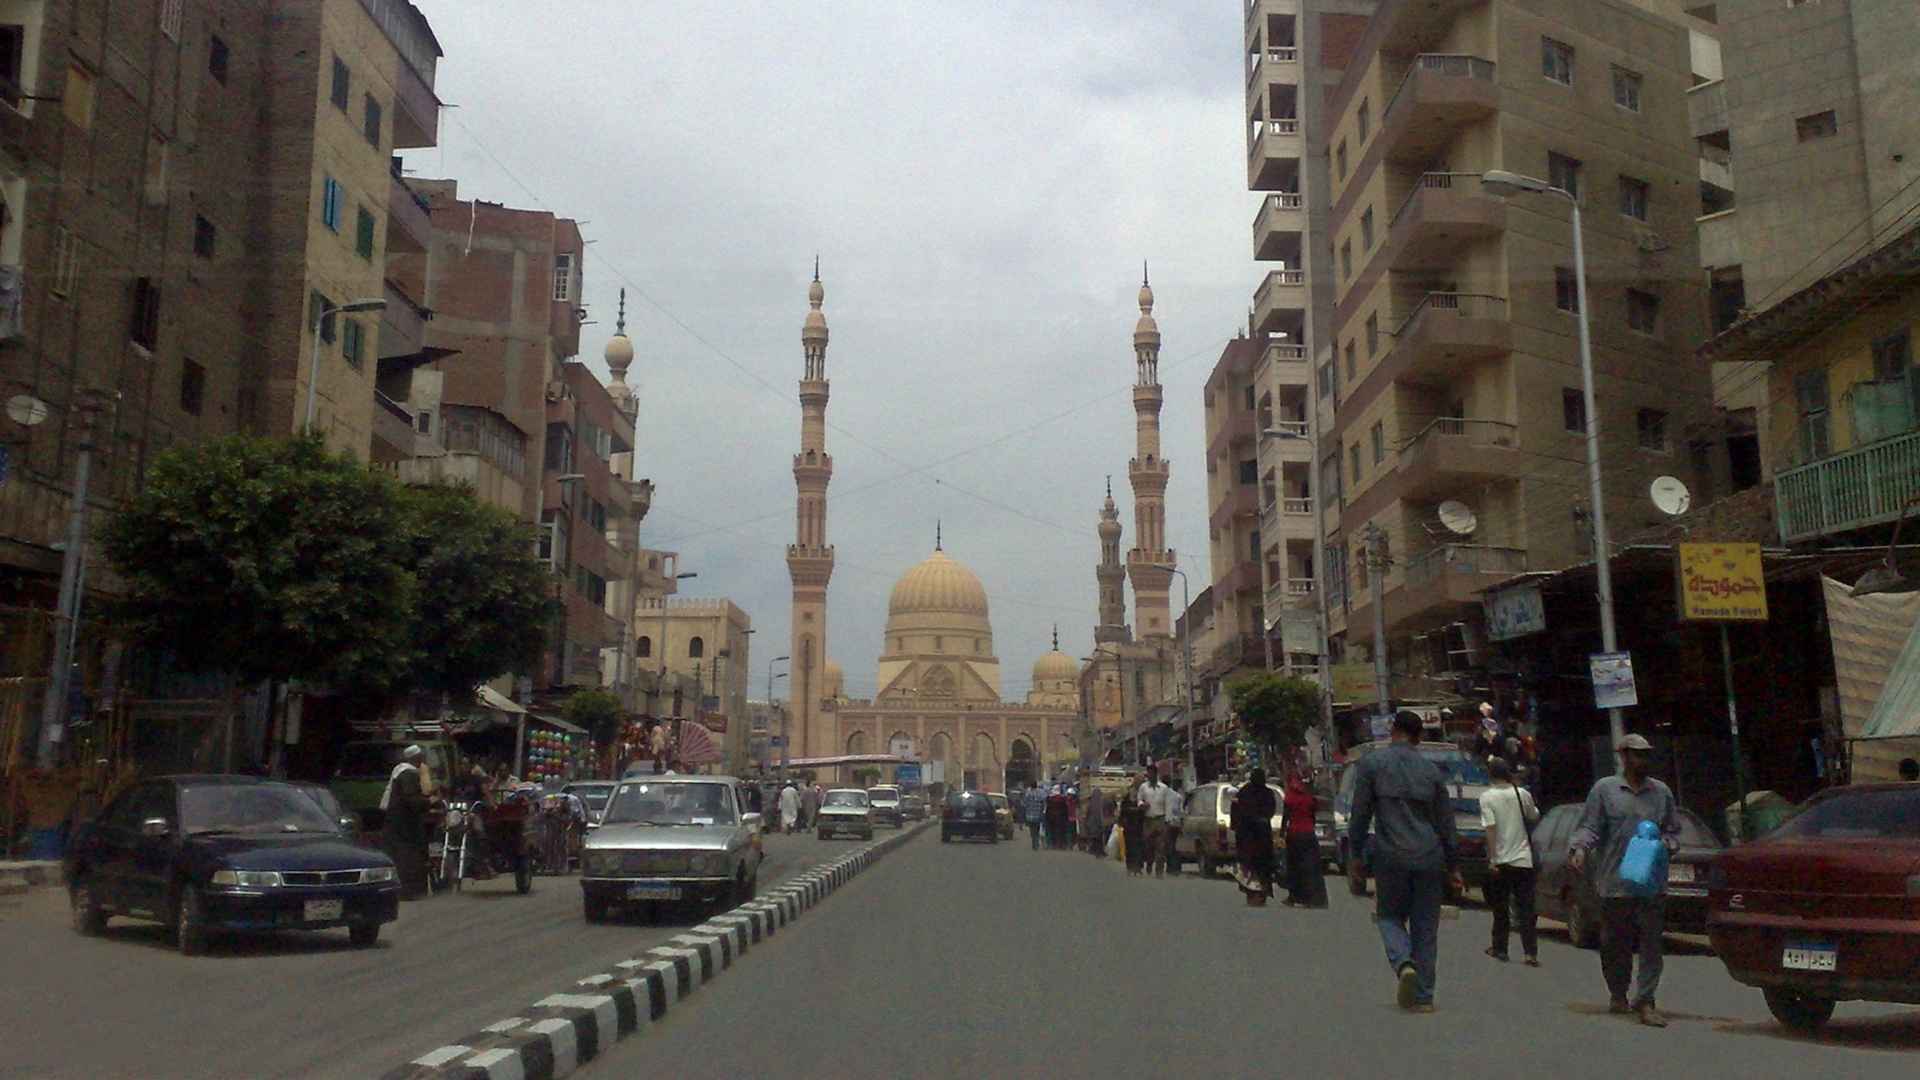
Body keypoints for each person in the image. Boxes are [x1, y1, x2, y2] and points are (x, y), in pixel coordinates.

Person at [1347, 710, 1458, 1013]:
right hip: (1429, 859)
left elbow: (1360, 815)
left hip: (1391, 857)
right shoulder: (1432, 773)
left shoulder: (1371, 764)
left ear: (1392, 730)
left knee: (1389, 916)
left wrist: (1355, 853)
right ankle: (1423, 997)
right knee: (1425, 927)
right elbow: (1447, 825)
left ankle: (1403, 962)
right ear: (1420, 736)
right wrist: (1455, 866)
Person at [1568, 732, 1682, 1027]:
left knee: (1651, 944)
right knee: (1615, 944)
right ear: (1622, 756)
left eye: (1645, 754)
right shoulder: (1605, 790)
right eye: (1636, 754)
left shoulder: (1661, 793)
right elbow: (1590, 827)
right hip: (1615, 883)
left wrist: (1666, 845)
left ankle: (1645, 1000)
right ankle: (1618, 992)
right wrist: (1580, 850)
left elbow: (1672, 830)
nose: (1642, 759)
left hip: (1651, 884)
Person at [1479, 756, 1541, 966]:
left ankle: (1500, 948)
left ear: (1490, 774)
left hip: (1502, 860)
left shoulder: (1487, 797)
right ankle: (1530, 952)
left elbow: (1490, 828)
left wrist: (1492, 858)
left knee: (1501, 907)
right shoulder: (1522, 794)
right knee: (1526, 907)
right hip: (1523, 858)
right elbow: (1534, 815)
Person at [380, 745, 433, 899]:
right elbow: (411, 799)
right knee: (409, 859)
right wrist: (429, 802)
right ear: (415, 758)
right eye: (421, 757)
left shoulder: (401, 772)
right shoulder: (408, 774)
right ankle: (410, 891)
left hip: (398, 823)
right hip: (405, 826)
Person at [1229, 767, 1278, 905]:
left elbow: (1236, 812)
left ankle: (1252, 893)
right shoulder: (1267, 793)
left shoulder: (1243, 793)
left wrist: (1238, 826)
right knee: (1262, 865)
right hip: (1262, 835)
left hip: (1246, 836)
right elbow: (1270, 811)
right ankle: (1261, 892)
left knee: (1248, 865)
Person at [1280, 769, 1326, 908]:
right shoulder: (1309, 798)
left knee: (1294, 867)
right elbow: (1313, 817)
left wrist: (1282, 834)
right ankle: (1314, 898)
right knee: (1311, 867)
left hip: (1294, 835)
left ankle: (1294, 897)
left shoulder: (1289, 798)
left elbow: (1286, 818)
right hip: (1309, 835)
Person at [1139, 766, 1173, 878]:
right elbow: (1139, 800)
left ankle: (1159, 871)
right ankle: (1149, 863)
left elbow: (1168, 804)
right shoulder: (1144, 787)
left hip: (1160, 819)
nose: (1148, 775)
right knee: (1148, 845)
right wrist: (1142, 805)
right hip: (1148, 820)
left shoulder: (1164, 788)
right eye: (1147, 773)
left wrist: (1168, 819)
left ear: (1155, 774)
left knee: (1161, 847)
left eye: (1150, 773)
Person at [1118, 774, 1148, 876]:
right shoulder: (1129, 793)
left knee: (1140, 847)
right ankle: (1130, 867)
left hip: (1141, 824)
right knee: (1130, 846)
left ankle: (1138, 867)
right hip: (1130, 825)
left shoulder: (1146, 793)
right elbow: (1123, 809)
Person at [1163, 776, 1184, 875]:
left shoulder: (1164, 793)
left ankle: (1171, 867)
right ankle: (1173, 868)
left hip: (1168, 823)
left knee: (1169, 846)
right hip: (1175, 824)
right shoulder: (1177, 796)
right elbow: (1181, 812)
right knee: (1173, 845)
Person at [1022, 782, 1046, 850]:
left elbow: (1024, 803)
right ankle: (1036, 839)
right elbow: (1044, 803)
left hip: (1030, 815)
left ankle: (1034, 840)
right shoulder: (1041, 794)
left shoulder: (1028, 794)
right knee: (1037, 828)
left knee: (1032, 829)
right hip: (1038, 814)